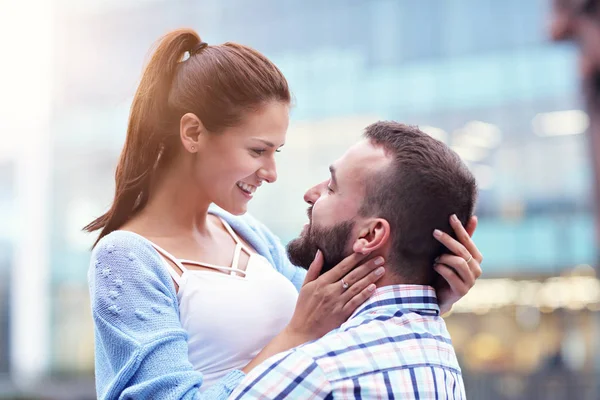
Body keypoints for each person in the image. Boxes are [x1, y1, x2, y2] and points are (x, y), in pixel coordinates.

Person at [86, 28, 482, 400]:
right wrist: (294, 334)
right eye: (257, 151)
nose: (271, 173)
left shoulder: (246, 232)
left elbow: (342, 318)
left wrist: (432, 292)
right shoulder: (126, 258)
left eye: (277, 152)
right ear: (192, 133)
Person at [230, 122, 481, 399]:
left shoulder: (317, 373)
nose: (310, 194)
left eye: (331, 188)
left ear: (371, 234)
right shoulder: (440, 355)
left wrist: (297, 333)